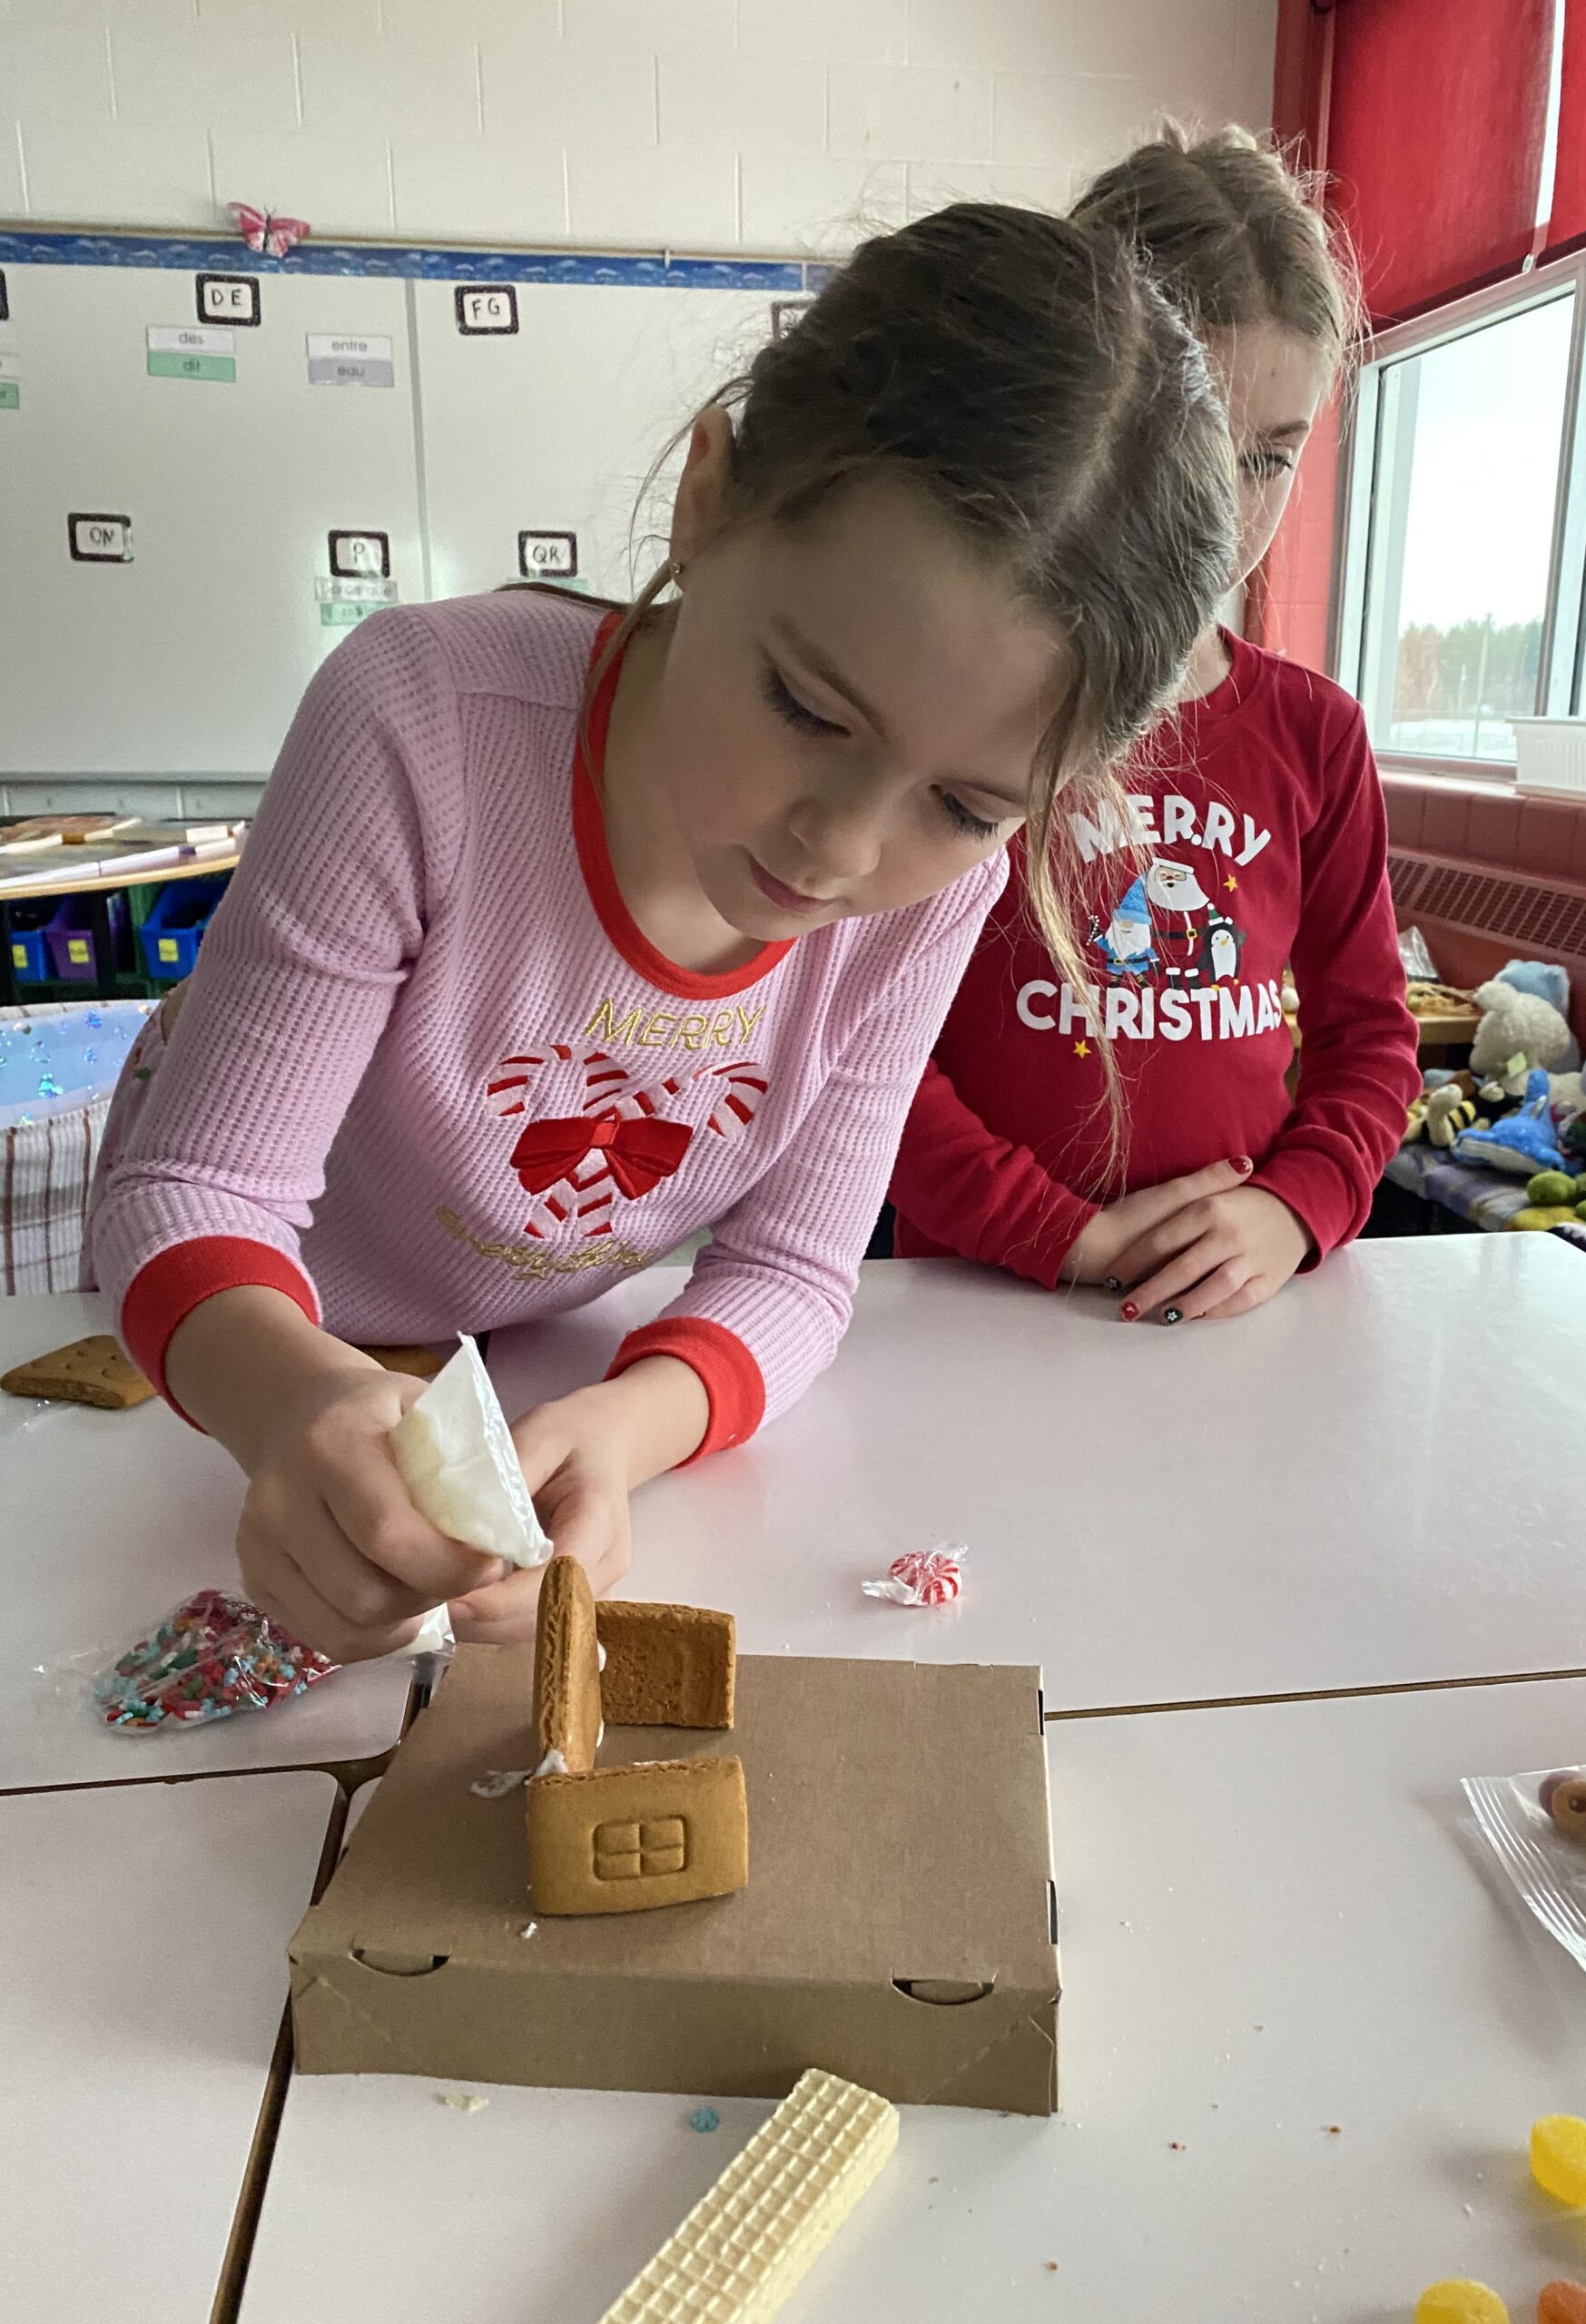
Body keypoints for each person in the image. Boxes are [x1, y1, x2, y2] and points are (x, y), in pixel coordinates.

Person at [86, 196, 1236, 1659]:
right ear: (706, 502)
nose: (838, 848)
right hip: (232, 1337)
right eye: (806, 708)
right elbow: (196, 1190)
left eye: (964, 804)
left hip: (515, 1346)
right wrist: (288, 1398)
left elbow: (796, 1269)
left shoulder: (934, 894)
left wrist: (629, 1428)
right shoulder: (425, 724)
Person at [887, 126, 1420, 1323]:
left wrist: (1293, 1208)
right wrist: (1060, 1234)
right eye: (1189, 447)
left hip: (1227, 1309)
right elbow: (866, 1037)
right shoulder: (964, 703)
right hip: (972, 1304)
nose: (1224, 512)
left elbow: (1373, 1040)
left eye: (1269, 458)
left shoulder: (1317, 734)